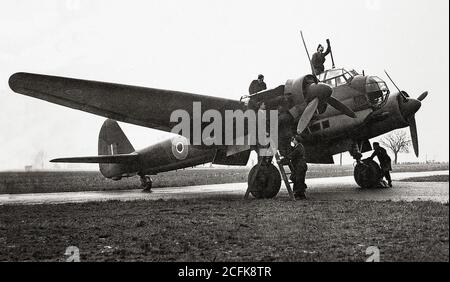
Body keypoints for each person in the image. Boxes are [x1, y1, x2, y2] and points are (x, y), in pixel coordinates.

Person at [284, 135, 308, 200]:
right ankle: (300, 194)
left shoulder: (299, 148)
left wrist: (283, 160)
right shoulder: (299, 146)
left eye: (294, 139)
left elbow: (293, 154)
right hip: (300, 166)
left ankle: (299, 194)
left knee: (298, 180)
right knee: (298, 179)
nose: (293, 140)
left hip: (300, 166)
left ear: (296, 141)